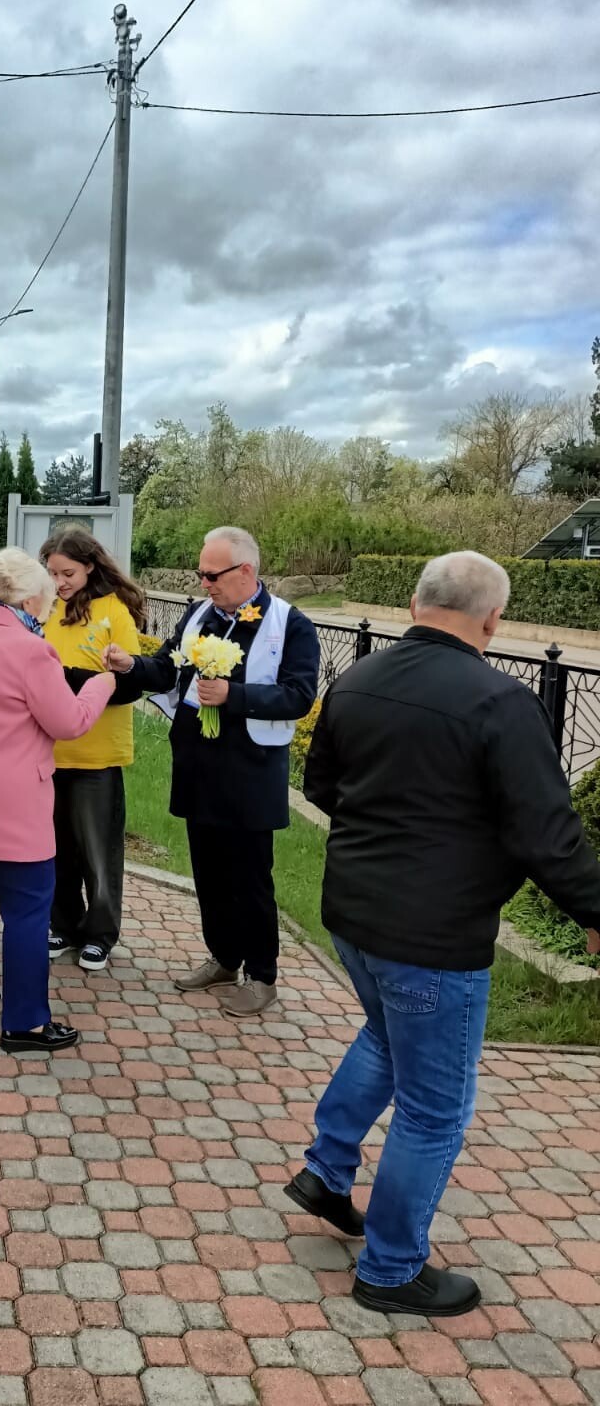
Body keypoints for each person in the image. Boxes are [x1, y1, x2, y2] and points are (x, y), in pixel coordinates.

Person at [293, 550, 600, 1317]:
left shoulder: (357, 679)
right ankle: (391, 1269)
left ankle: (326, 1173)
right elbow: (548, 834)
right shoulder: (501, 701)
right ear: (492, 619)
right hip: (433, 933)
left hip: (354, 913)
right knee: (435, 1108)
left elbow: (321, 785)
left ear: (414, 603)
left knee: (384, 1037)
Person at [104, 526, 319, 1016]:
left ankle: (261, 975)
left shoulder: (290, 624)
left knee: (250, 876)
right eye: (201, 573)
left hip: (251, 771)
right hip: (199, 764)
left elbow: (299, 695)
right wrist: (130, 665)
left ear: (245, 571)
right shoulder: (199, 614)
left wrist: (233, 696)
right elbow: (167, 668)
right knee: (209, 871)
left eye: (211, 575)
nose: (204, 583)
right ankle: (224, 957)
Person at [0, 547, 116, 1052]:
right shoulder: (31, 651)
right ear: (30, 600)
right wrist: (101, 685)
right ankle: (26, 1022)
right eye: (49, 601)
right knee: (29, 907)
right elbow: (69, 722)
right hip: (9, 797)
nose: (51, 609)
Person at [40, 524, 145, 974]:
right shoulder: (46, 608)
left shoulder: (113, 610)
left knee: (98, 853)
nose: (59, 582)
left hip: (97, 754)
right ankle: (62, 924)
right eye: (52, 574)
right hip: (48, 752)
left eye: (67, 573)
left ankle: (100, 934)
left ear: (89, 566)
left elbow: (128, 683)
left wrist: (68, 679)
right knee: (55, 849)